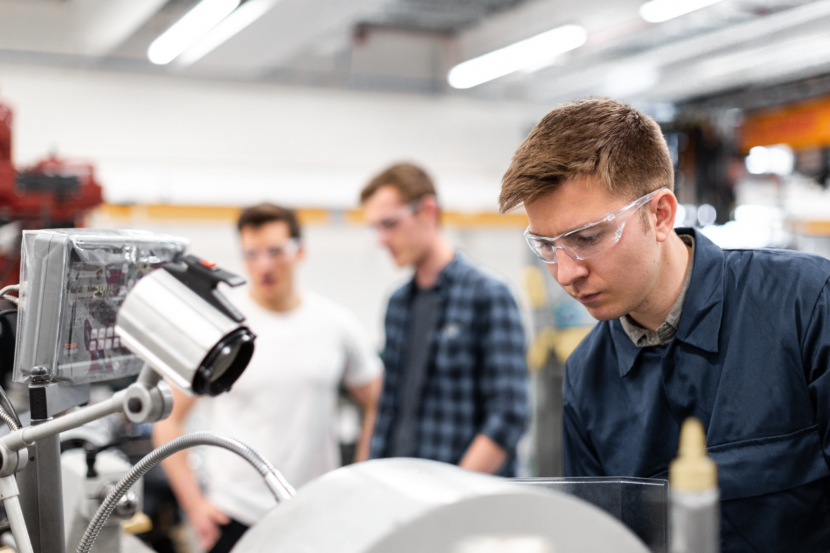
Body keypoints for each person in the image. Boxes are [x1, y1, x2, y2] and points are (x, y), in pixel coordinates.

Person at [498, 97, 830, 551]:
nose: (565, 272)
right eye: (548, 245)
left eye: (587, 238)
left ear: (660, 215)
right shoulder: (586, 377)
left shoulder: (807, 305)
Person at [152, 203, 383, 553]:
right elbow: (167, 420)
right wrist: (196, 506)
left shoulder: (336, 325)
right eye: (252, 253)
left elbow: (378, 403)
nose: (264, 264)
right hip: (234, 517)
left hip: (314, 513)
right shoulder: (220, 325)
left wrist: (358, 482)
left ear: (300, 251)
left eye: (276, 251)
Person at [360, 163, 528, 476]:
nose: (381, 239)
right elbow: (388, 411)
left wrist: (452, 494)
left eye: (389, 224)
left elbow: (508, 415)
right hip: (402, 490)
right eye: (376, 228)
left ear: (427, 211)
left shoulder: (488, 295)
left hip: (467, 505)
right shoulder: (397, 304)